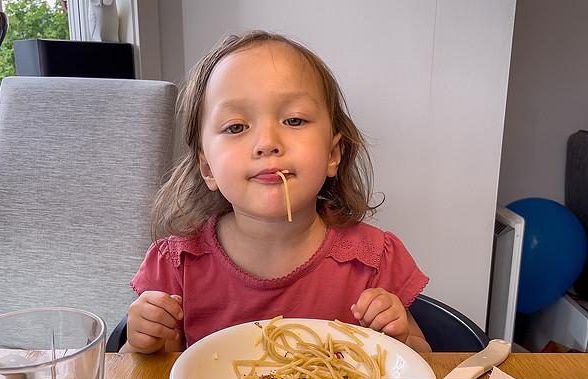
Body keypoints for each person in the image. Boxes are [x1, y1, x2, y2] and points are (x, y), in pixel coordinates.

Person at [124, 30, 431, 354]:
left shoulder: (372, 262)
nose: (268, 142)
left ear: (332, 154)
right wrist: (146, 344)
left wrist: (401, 344)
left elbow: (422, 377)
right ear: (207, 168)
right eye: (236, 127)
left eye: (294, 120)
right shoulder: (175, 265)